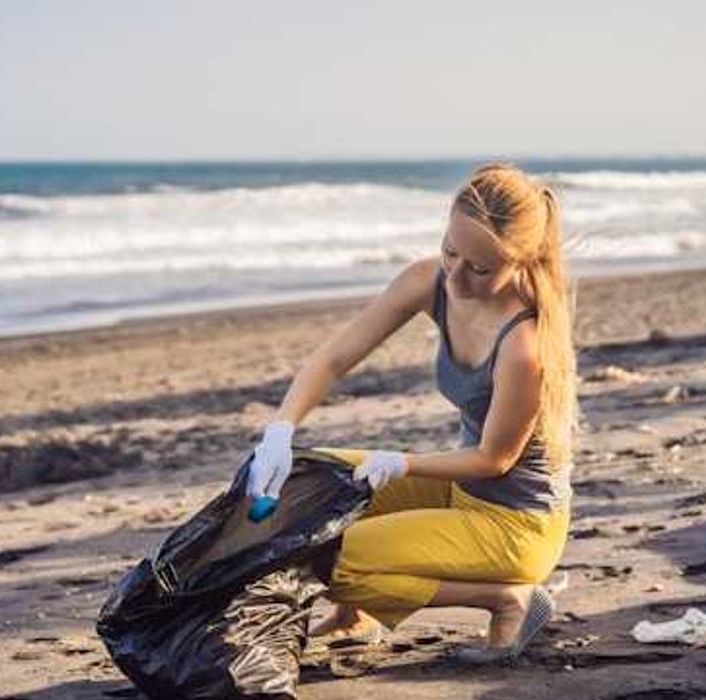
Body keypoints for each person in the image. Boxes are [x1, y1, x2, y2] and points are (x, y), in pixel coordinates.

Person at [246, 162, 579, 662]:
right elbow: (335, 358)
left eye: (481, 269)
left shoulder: (524, 344)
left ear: (522, 261)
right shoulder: (431, 279)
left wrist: (402, 463)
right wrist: (280, 430)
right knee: (313, 485)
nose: (459, 279)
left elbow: (493, 460)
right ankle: (354, 616)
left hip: (516, 526)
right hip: (459, 492)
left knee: (327, 558)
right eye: (451, 252)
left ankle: (507, 600)